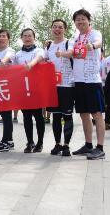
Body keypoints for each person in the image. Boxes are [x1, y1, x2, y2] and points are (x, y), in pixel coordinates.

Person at [63, 9, 106, 160]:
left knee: (97, 114)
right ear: (75, 23)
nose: (80, 22)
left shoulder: (95, 34)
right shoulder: (75, 37)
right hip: (78, 80)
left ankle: (100, 148)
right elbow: (69, 51)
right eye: (77, 20)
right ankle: (88, 145)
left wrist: (93, 46)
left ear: (89, 20)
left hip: (92, 81)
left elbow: (99, 42)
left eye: (83, 19)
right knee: (83, 114)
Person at [44, 19, 75, 156]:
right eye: (55, 27)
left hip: (67, 85)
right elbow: (44, 60)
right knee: (56, 117)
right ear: (51, 29)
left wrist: (61, 53)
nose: (57, 29)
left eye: (60, 27)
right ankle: (57, 144)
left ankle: (66, 145)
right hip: (52, 86)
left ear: (65, 29)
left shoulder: (69, 42)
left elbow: (71, 53)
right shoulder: (48, 45)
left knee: (67, 116)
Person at [12, 28, 46, 153]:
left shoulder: (39, 50)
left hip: (36, 89)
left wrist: (31, 64)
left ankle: (40, 142)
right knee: (26, 117)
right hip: (23, 89)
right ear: (21, 38)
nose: (27, 38)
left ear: (34, 38)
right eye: (25, 36)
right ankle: (30, 142)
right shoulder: (18, 55)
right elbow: (13, 70)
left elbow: (39, 58)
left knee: (38, 116)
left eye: (30, 36)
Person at [0, 29, 16, 153]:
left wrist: (3, 61)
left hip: (6, 86)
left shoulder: (9, 50)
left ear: (8, 39)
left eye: (4, 36)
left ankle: (7, 141)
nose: (1, 38)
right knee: (4, 114)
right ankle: (8, 140)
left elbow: (8, 57)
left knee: (6, 115)